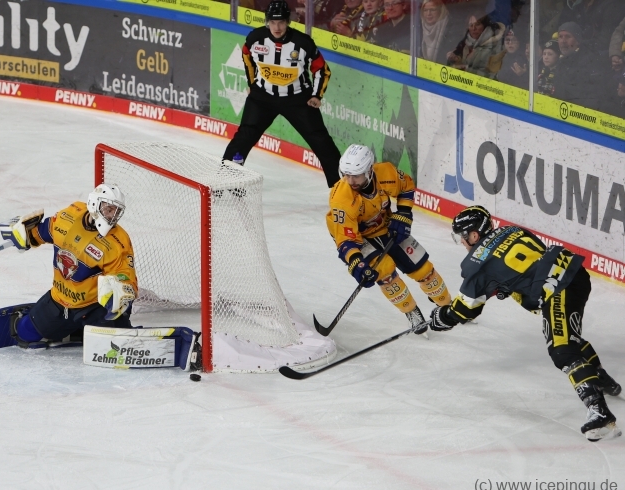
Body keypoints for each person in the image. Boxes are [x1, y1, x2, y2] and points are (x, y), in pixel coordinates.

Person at [429, 206, 622, 442]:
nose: (461, 242)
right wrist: (505, 285)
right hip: (573, 271)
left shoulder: (476, 263)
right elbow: (529, 265)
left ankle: (599, 412)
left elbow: (466, 309)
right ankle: (600, 378)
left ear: (474, 235)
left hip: (558, 290)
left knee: (562, 349)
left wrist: (443, 317)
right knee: (565, 334)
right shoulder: (511, 230)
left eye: (462, 236)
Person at [0, 184, 201, 370]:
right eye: (109, 209)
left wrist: (121, 291)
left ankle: (171, 344)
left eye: (117, 211)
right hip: (59, 301)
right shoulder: (69, 216)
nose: (113, 216)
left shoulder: (118, 241)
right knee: (25, 334)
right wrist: (25, 234)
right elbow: (44, 231)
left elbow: (127, 277)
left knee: (120, 345)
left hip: (94, 308)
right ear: (94, 203)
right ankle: (75, 330)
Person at [326, 145, 452, 333]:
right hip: (359, 237)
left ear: (369, 170)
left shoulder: (386, 172)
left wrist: (403, 213)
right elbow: (345, 238)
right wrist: (355, 262)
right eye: (346, 175)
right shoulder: (341, 199)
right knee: (384, 272)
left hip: (386, 226)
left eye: (356, 175)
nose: (350, 181)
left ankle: (449, 307)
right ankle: (410, 311)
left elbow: (406, 186)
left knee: (423, 269)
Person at [223, 0, 342, 188]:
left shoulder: (303, 43)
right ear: (267, 21)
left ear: (288, 22)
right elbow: (246, 56)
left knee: (321, 141)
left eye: (281, 22)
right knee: (244, 137)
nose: (276, 27)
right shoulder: (255, 38)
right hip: (262, 97)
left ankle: (342, 188)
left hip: (298, 99)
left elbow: (322, 69)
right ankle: (226, 181)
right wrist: (253, 84)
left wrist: (316, 95)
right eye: (272, 22)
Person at [554, 22, 602, 110]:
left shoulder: (589, 62)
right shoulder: (560, 62)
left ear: (578, 41)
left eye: (568, 36)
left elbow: (592, 97)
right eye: (560, 37)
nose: (563, 41)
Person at [447, 13, 506, 79]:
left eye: (477, 24)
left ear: (485, 26)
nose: (473, 28)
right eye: (471, 25)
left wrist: (465, 69)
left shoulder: (494, 46)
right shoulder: (465, 44)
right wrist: (456, 60)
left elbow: (492, 76)